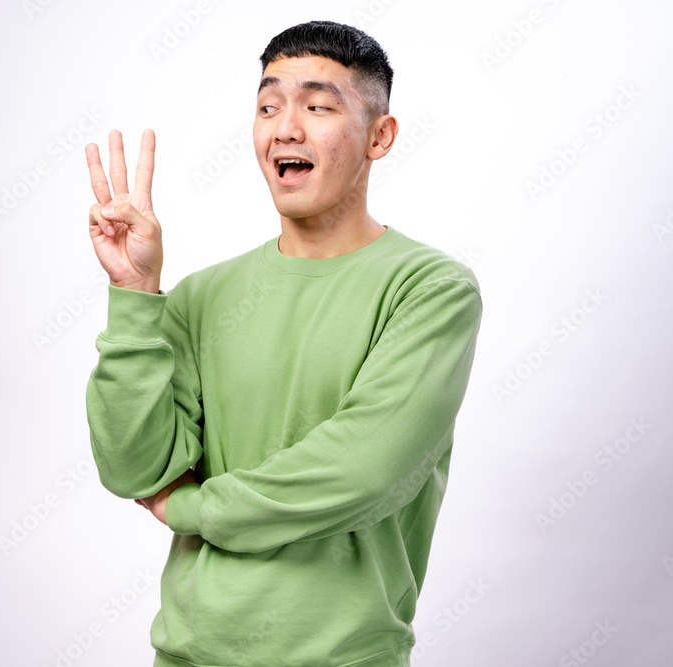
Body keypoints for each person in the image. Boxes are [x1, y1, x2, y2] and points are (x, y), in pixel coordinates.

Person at [84, 19, 483, 667]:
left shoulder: (429, 289)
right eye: (268, 106)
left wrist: (192, 507)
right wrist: (134, 295)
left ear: (379, 136)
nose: (285, 128)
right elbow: (131, 468)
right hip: (187, 655)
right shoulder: (202, 296)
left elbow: (360, 470)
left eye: (318, 107)